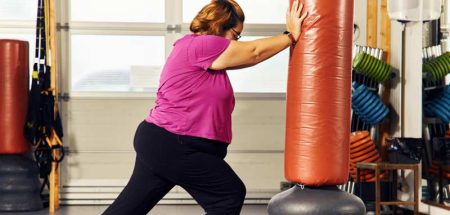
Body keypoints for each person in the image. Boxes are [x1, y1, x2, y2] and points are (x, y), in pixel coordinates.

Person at [103, 0, 307, 214]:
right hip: (174, 142)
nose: (236, 41)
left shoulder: (203, 54)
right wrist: (291, 36)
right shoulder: (202, 45)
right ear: (220, 25)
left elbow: (250, 58)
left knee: (128, 209)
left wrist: (287, 39)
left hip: (164, 142)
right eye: (236, 35)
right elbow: (253, 52)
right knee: (228, 194)